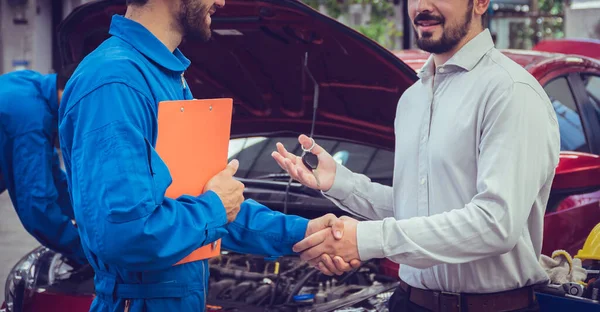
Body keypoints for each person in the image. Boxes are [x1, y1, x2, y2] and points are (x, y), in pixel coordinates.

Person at [57, 0, 347, 311]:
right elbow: (126, 235)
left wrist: (302, 233)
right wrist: (215, 209)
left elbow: (209, 203)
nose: (221, 1)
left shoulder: (167, 76)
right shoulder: (114, 83)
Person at [273, 0, 561, 310]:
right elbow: (416, 215)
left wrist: (365, 240)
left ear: (480, 3)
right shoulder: (413, 99)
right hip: (409, 301)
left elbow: (496, 225)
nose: (422, 7)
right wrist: (339, 183)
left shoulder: (511, 91)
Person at [0, 67, 87, 266]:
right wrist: (86, 253)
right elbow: (38, 206)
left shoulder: (31, 85)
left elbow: (54, 178)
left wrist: (86, 213)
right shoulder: (30, 119)